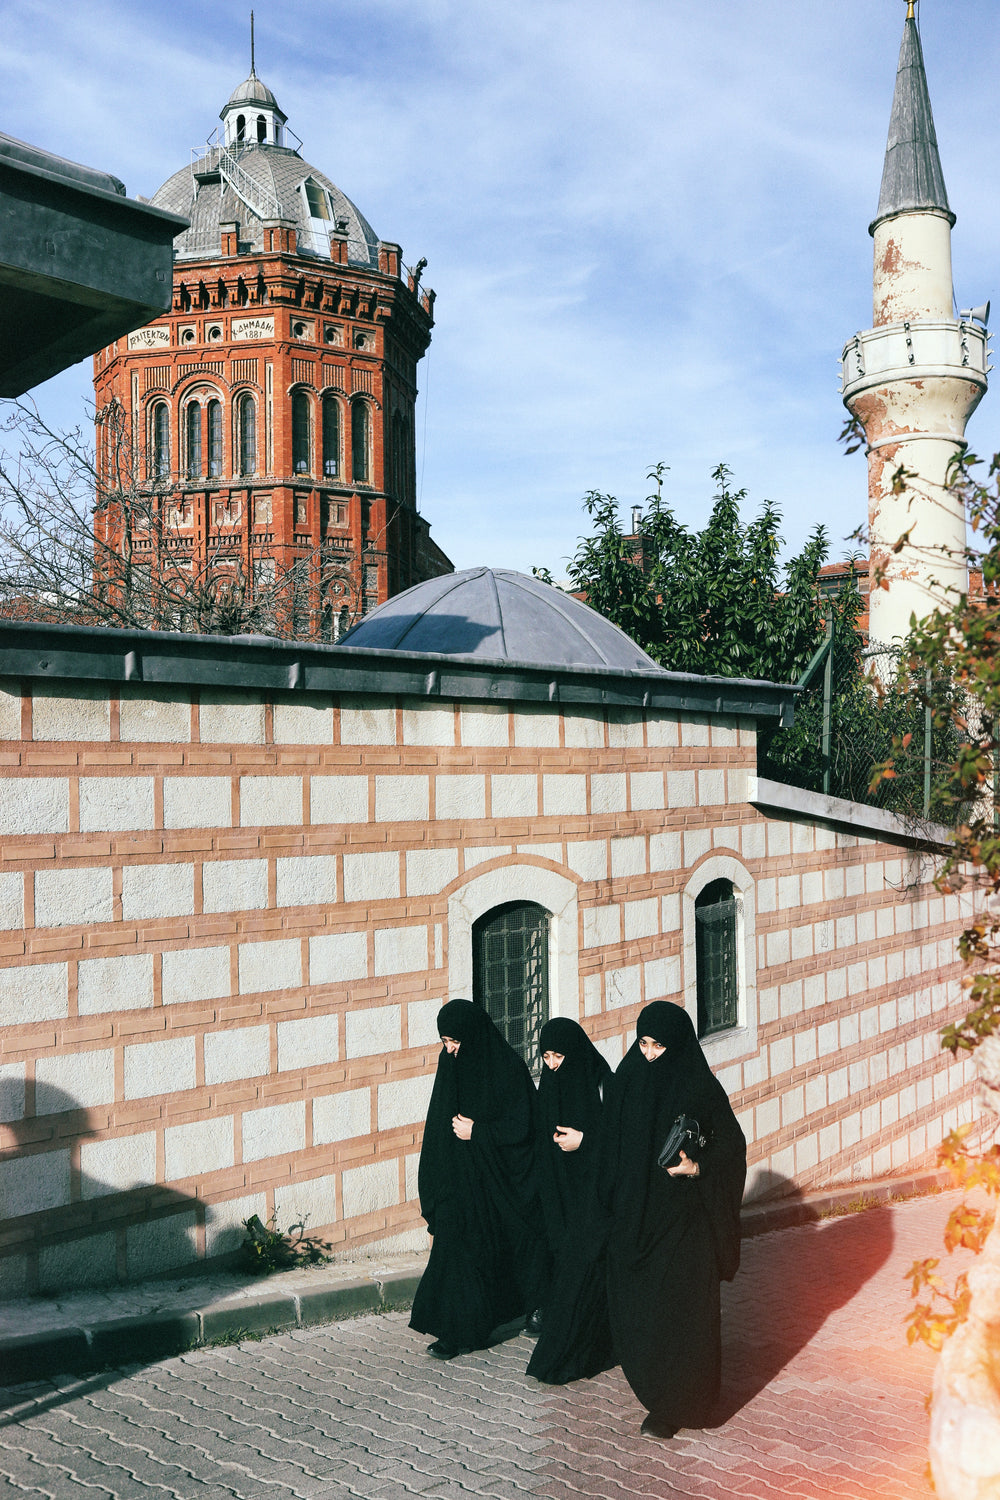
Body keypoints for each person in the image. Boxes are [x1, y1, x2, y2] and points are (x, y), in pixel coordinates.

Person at [602, 1001, 747, 1440]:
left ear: (677, 1045)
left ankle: (680, 1404)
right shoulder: (627, 1080)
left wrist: (697, 1169)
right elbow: (610, 1145)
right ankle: (654, 1390)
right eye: (643, 1044)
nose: (648, 1054)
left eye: (658, 1046)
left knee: (683, 1315)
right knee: (642, 1310)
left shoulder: (697, 1086)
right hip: (637, 1219)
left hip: (685, 1221)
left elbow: (731, 1148)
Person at [409, 998, 548, 1359]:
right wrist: (435, 1183)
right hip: (460, 1180)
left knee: (510, 1245)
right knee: (456, 1250)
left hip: (499, 1178)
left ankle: (537, 1306)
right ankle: (456, 1332)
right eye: (444, 1042)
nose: (451, 1049)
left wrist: (480, 1132)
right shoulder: (449, 1063)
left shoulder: (505, 1067)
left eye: (456, 1041)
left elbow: (523, 1126)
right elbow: (438, 1121)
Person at [526, 1016, 615, 1384]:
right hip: (557, 1194)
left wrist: (585, 1140)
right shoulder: (549, 1084)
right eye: (545, 1057)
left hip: (592, 1195)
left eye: (558, 1056)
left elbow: (618, 1137)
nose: (551, 1065)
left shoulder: (601, 1080)